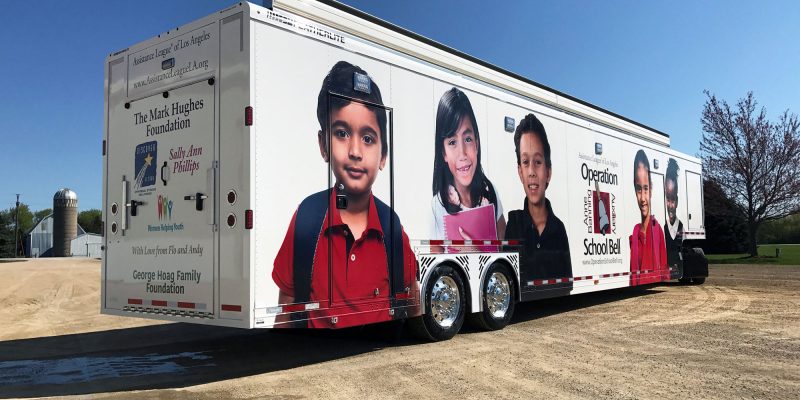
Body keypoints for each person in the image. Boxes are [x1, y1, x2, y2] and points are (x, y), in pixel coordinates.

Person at [272, 61, 417, 328]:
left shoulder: (392, 227)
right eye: (341, 133)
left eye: (368, 138)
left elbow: (412, 301)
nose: (355, 151)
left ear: (383, 155)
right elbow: (286, 311)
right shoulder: (306, 220)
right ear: (323, 145)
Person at [504, 113, 572, 295]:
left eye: (538, 162)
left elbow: (567, 287)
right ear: (520, 172)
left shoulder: (559, 229)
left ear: (548, 172)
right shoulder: (514, 224)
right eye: (526, 162)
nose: (532, 171)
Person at [431, 87, 505, 244]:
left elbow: (507, 254)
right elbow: (435, 264)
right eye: (452, 142)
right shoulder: (439, 204)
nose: (462, 153)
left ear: (477, 144)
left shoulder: (490, 192)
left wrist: (477, 252)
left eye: (468, 139)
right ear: (443, 153)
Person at [629, 150, 668, 285]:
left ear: (650, 190)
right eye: (639, 189)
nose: (643, 198)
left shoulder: (657, 230)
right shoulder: (635, 232)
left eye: (645, 188)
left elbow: (663, 268)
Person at [663, 158, 683, 278]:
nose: (670, 205)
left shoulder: (681, 228)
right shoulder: (662, 229)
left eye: (673, 199)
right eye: (667, 199)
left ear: (677, 200)